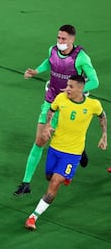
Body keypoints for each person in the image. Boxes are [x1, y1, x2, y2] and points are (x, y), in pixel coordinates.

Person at [14, 24, 100, 196]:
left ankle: (79, 149)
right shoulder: (52, 50)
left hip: (70, 106)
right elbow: (50, 61)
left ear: (72, 40)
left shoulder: (81, 58)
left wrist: (74, 91)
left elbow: (95, 81)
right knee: (40, 140)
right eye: (58, 38)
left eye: (63, 39)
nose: (60, 41)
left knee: (67, 133)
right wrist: (37, 71)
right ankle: (26, 183)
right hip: (51, 101)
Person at [24, 75, 107, 231]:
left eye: (70, 86)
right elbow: (51, 110)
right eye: (67, 85)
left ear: (80, 89)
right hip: (55, 148)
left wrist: (104, 135)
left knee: (54, 182)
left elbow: (102, 116)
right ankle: (67, 176)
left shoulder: (93, 105)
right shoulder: (61, 98)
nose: (67, 88)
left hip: (73, 153)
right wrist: (48, 125)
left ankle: (33, 217)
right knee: (49, 176)